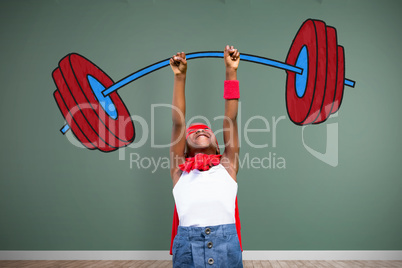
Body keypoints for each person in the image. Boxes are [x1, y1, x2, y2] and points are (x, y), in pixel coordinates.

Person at [168, 45, 243, 267]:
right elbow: (178, 121)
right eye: (193, 132)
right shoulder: (178, 170)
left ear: (218, 148)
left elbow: (231, 118)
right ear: (184, 147)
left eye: (206, 130)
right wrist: (180, 77)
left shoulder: (227, 166)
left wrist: (231, 71)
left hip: (227, 246)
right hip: (187, 248)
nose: (200, 130)